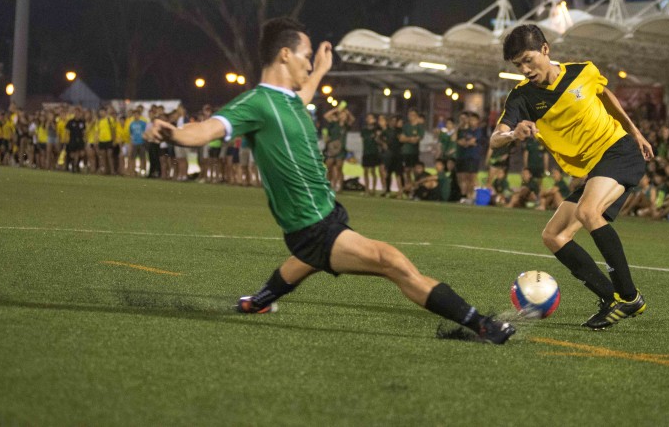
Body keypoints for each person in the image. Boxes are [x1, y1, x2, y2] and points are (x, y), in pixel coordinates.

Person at [145, 17, 514, 344]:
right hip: (311, 227)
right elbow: (208, 129)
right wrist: (173, 134)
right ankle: (482, 325)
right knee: (391, 261)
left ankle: (257, 302)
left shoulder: (291, 100)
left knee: (305, 262)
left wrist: (321, 69)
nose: (309, 63)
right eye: (306, 56)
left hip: (326, 213)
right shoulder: (256, 103)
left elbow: (304, 92)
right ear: (285, 55)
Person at [490, 24, 653, 330]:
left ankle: (629, 297)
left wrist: (636, 132)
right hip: (596, 170)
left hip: (619, 152)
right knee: (554, 235)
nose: (525, 70)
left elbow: (605, 95)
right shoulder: (522, 97)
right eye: (518, 65)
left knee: (588, 211)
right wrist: (513, 133)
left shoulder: (583, 72)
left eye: (528, 60)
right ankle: (610, 298)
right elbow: (495, 138)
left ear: (545, 49)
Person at [360, 113, 381, 195]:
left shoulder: (376, 130)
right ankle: (367, 189)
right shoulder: (364, 130)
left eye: (371, 118)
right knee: (365, 171)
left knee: (373, 171)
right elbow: (363, 140)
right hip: (366, 152)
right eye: (368, 118)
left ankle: (374, 189)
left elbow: (378, 139)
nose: (369, 119)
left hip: (374, 152)